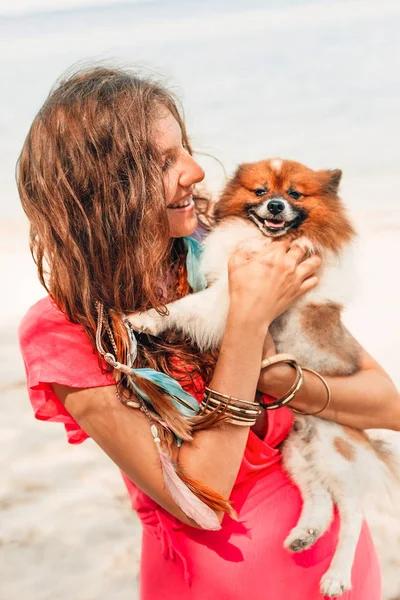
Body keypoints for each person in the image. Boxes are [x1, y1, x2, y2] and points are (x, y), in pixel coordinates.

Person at [17, 66, 398, 599]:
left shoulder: (223, 253)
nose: (195, 171)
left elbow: (386, 406)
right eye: (163, 160)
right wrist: (247, 322)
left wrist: (283, 380)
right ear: (102, 189)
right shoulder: (63, 331)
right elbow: (202, 496)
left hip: (341, 572)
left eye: (186, 148)